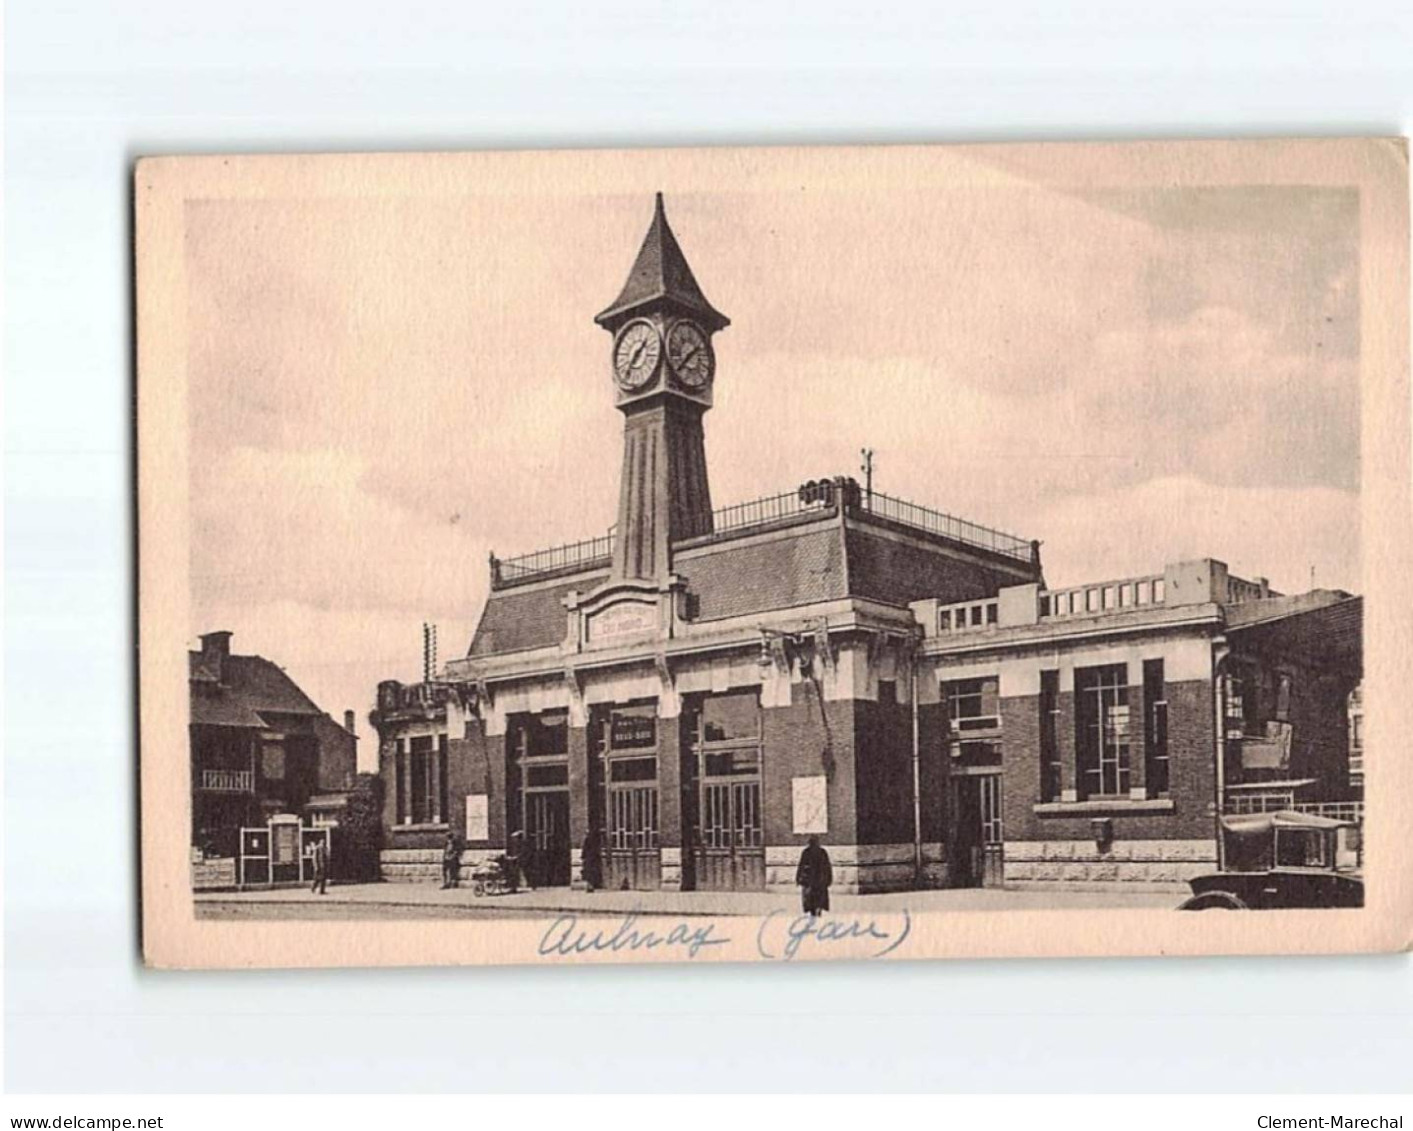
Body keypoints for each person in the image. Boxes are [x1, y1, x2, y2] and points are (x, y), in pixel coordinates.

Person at [795, 835, 832, 918]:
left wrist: (798, 878)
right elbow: (828, 866)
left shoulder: (806, 852)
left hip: (810, 880)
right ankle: (818, 909)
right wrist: (829, 879)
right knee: (819, 896)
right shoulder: (822, 852)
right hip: (820, 880)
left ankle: (813, 911)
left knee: (810, 898)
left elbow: (801, 865)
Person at [581, 827, 604, 893]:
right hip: (593, 858)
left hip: (590, 859)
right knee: (591, 873)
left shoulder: (588, 840)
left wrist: (583, 857)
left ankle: (590, 886)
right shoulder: (595, 840)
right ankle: (592, 885)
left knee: (589, 873)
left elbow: (585, 849)